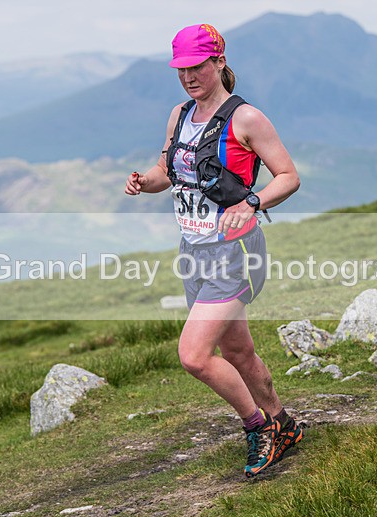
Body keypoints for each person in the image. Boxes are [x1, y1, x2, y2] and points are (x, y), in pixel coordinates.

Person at [124, 23, 301, 477]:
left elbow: (288, 176)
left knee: (194, 356)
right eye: (181, 68)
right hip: (193, 251)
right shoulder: (180, 114)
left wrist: (252, 202)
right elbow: (168, 170)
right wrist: (145, 182)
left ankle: (259, 427)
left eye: (197, 66)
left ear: (219, 62)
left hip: (234, 252)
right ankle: (285, 424)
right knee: (238, 352)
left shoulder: (247, 119)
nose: (188, 76)